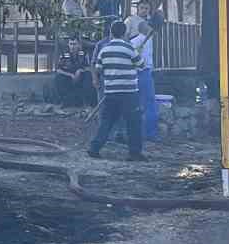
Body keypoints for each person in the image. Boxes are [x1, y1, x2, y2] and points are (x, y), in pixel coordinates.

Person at [89, 20, 144, 160]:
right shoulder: (130, 48)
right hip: (129, 93)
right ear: (125, 33)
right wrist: (139, 54)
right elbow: (141, 65)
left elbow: (99, 68)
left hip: (111, 92)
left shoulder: (104, 49)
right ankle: (134, 153)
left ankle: (94, 148)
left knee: (106, 121)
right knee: (133, 122)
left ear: (111, 33)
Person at [131, 20, 160, 141]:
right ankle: (150, 133)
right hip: (143, 72)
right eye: (149, 26)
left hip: (135, 74)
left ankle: (138, 132)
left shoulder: (142, 40)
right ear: (144, 28)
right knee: (149, 103)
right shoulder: (137, 41)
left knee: (137, 104)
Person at [51, 38, 94, 107]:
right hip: (68, 77)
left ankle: (87, 102)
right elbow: (58, 70)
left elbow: (89, 67)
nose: (72, 46)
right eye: (71, 44)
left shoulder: (83, 53)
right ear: (68, 45)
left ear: (78, 45)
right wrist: (70, 75)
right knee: (58, 78)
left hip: (81, 76)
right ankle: (64, 102)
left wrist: (80, 71)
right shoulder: (64, 54)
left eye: (74, 44)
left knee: (88, 76)